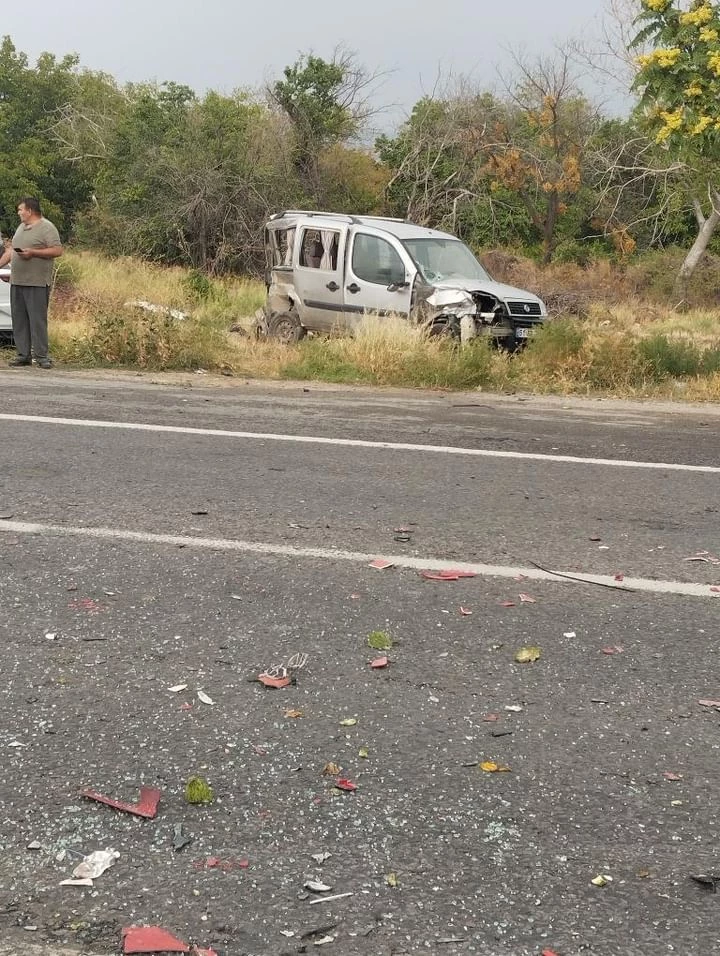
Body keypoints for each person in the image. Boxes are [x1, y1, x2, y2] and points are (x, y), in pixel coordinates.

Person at [0, 197, 63, 368]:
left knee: (37, 320)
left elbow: (57, 250)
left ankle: (42, 355)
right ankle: (23, 355)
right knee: (19, 320)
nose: (19, 212)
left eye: (21, 210)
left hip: (36, 282)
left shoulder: (47, 227)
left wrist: (33, 253)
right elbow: (12, 250)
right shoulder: (21, 227)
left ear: (30, 210)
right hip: (17, 280)